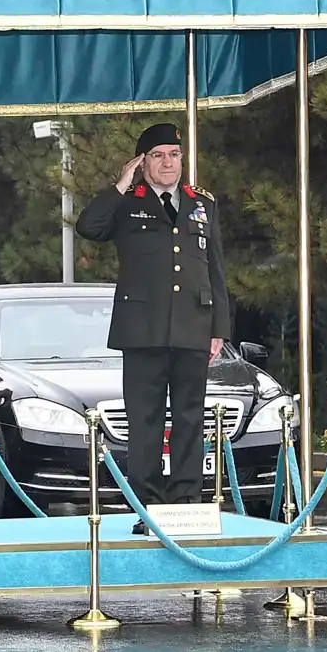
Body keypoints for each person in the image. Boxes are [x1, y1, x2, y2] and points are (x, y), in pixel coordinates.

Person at [75, 122, 231, 532]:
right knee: (144, 421)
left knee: (189, 419)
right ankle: (149, 506)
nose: (168, 163)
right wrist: (120, 185)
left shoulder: (202, 204)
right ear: (142, 161)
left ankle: (184, 504)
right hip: (142, 330)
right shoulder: (127, 202)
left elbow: (214, 269)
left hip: (193, 328)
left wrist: (219, 328)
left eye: (174, 155)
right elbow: (88, 227)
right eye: (158, 155)